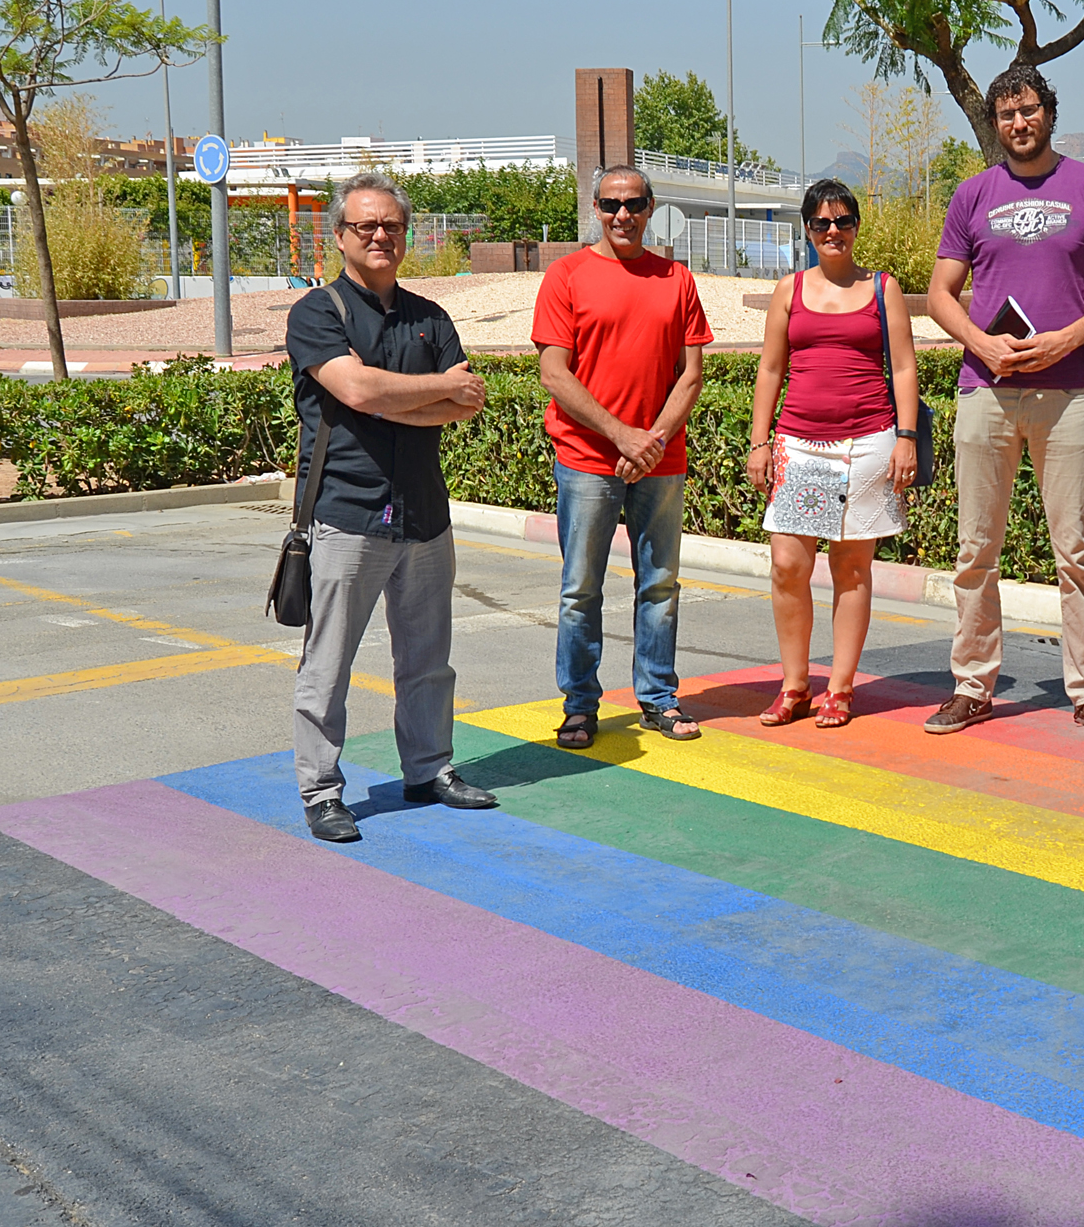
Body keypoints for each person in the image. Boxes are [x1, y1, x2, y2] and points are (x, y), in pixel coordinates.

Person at [922, 63, 1084, 739]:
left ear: (1049, 112)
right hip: (985, 390)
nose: (1019, 123)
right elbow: (938, 294)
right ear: (996, 123)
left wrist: (1068, 337)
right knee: (974, 550)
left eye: (1029, 110)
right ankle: (971, 685)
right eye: (1006, 114)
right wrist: (980, 346)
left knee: (1075, 550)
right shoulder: (971, 194)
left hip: (1067, 390)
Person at [285, 170, 496, 843]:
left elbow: (465, 405)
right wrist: (421, 392)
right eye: (366, 226)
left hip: (424, 514)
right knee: (329, 663)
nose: (380, 236)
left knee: (428, 657)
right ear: (340, 235)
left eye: (392, 226)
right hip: (348, 511)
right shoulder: (318, 312)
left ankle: (428, 768)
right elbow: (356, 390)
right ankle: (321, 790)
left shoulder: (430, 316)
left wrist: (394, 395)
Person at [531, 166, 712, 750]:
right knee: (580, 589)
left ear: (652, 207)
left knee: (659, 585)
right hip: (586, 459)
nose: (622, 215)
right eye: (610, 205)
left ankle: (658, 696)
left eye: (633, 204)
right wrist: (621, 437)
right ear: (596, 208)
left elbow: (691, 376)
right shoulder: (566, 277)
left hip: (660, 461)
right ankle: (581, 705)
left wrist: (650, 440)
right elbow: (554, 373)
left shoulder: (676, 278)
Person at [746, 180, 922, 727]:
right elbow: (771, 368)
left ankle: (840, 688)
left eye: (843, 221)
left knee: (851, 569)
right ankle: (795, 684)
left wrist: (906, 437)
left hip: (869, 444)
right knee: (787, 566)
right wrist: (760, 440)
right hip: (799, 445)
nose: (832, 231)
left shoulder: (882, 289)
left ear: (855, 228)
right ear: (806, 229)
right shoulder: (789, 290)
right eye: (822, 223)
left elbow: (904, 367)